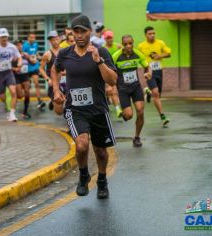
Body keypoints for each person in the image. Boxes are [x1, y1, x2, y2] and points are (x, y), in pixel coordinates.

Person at [52, 15, 118, 199]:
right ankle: (83, 175)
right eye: (76, 31)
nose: (79, 35)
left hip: (98, 109)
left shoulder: (101, 52)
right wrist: (56, 90)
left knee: (101, 151)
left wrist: (98, 61)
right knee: (81, 145)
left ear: (90, 32)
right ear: (72, 33)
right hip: (75, 109)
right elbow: (54, 69)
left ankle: (102, 180)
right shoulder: (65, 53)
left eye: (83, 31)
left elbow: (112, 80)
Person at [113, 35, 151, 147]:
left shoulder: (137, 54)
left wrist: (147, 72)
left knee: (140, 111)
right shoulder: (116, 56)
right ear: (122, 44)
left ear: (133, 43)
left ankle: (137, 137)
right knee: (129, 115)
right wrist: (111, 85)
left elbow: (146, 65)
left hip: (135, 87)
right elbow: (109, 70)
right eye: (125, 44)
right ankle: (125, 114)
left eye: (130, 43)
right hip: (123, 89)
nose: (128, 46)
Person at [138, 26, 171, 127]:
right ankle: (162, 116)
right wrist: (146, 66)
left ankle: (147, 91)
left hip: (159, 71)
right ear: (145, 35)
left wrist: (159, 56)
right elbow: (137, 57)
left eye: (153, 33)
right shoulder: (141, 46)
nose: (152, 35)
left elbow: (169, 53)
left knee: (158, 95)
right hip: (148, 71)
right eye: (150, 34)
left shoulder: (160, 43)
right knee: (156, 93)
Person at [103, 30, 123, 118]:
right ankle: (116, 107)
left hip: (118, 71)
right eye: (107, 38)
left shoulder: (118, 46)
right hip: (108, 72)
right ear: (105, 39)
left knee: (114, 91)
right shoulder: (103, 49)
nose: (109, 39)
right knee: (110, 90)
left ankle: (117, 108)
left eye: (110, 37)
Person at [39, 30, 60, 111]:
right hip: (53, 82)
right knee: (58, 110)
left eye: (56, 39)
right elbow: (41, 68)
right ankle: (52, 100)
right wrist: (48, 79)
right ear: (50, 41)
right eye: (52, 40)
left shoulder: (64, 51)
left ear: (59, 38)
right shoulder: (47, 54)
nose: (54, 41)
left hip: (64, 81)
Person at [23, 32, 45, 109]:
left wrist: (40, 57)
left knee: (36, 83)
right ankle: (27, 101)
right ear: (28, 38)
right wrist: (29, 58)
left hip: (35, 67)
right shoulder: (25, 46)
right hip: (27, 69)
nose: (33, 39)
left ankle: (39, 101)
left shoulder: (36, 44)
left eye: (34, 37)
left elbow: (36, 53)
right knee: (27, 87)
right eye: (31, 37)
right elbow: (23, 55)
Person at [13, 40, 31, 119]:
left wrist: (30, 58)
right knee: (20, 96)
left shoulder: (25, 54)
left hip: (25, 76)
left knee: (27, 93)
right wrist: (15, 69)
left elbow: (33, 62)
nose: (19, 46)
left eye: (20, 45)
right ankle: (12, 108)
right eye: (18, 45)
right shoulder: (13, 56)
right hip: (16, 76)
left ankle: (25, 112)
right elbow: (8, 67)